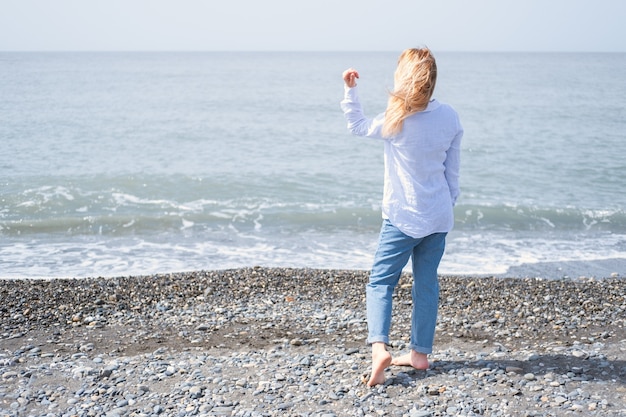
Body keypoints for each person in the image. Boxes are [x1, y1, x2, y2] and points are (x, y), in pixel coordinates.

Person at [340, 47, 463, 387]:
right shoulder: (450, 116)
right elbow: (452, 175)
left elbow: (357, 126)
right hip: (438, 218)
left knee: (381, 281)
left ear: (403, 81)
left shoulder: (396, 119)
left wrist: (351, 90)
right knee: (426, 284)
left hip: (401, 218)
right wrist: (445, 205)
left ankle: (380, 347)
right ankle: (419, 354)